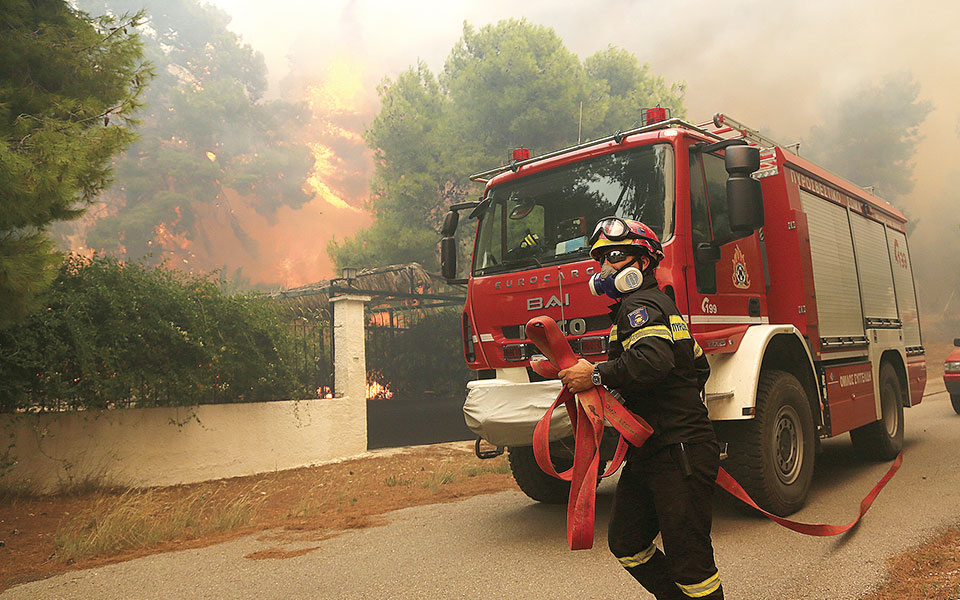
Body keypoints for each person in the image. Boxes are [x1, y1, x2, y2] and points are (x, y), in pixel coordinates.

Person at [559, 217, 723, 600]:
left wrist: (596, 375)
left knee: (691, 563)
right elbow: (697, 366)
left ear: (643, 262)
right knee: (627, 541)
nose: (604, 269)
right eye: (600, 260)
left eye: (615, 256)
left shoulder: (641, 305)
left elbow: (653, 362)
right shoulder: (651, 305)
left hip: (679, 451)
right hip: (655, 448)